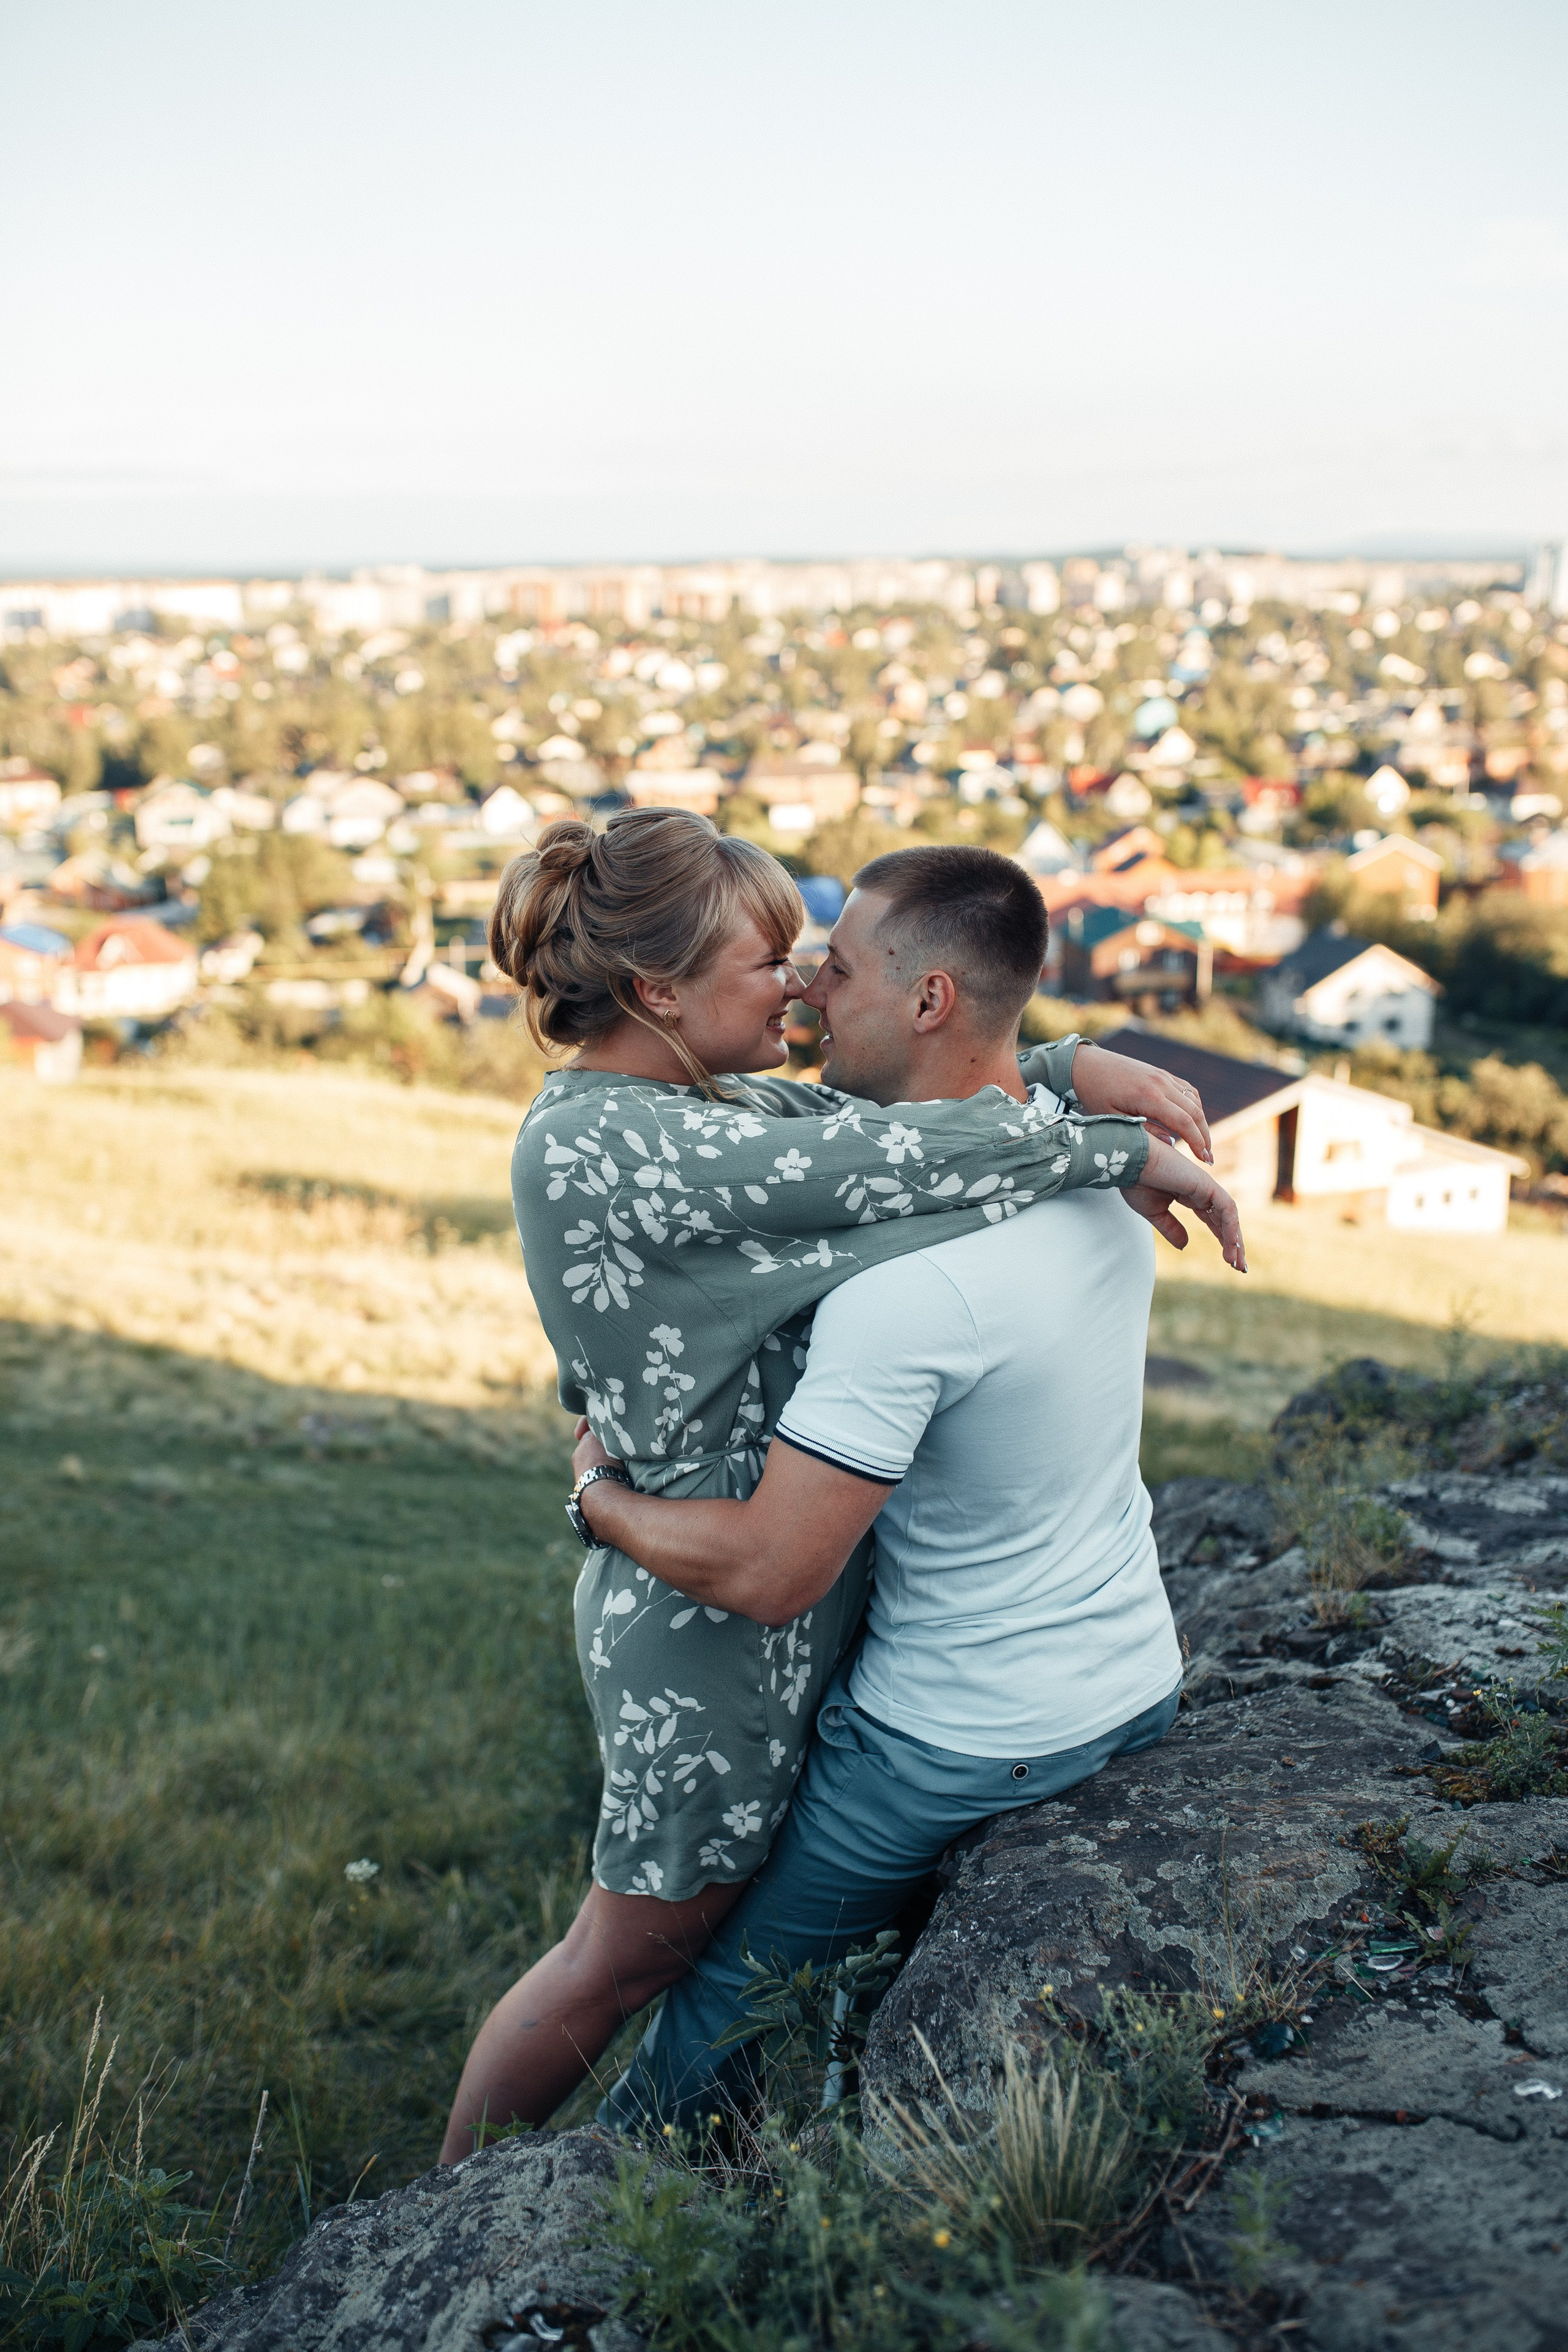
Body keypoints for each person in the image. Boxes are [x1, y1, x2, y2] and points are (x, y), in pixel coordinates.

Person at [439, 812, 1241, 2160]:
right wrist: (1106, 1141)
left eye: (815, 961)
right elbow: (896, 1152)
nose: (802, 984)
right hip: (706, 1619)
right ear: (658, 994)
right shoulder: (596, 1145)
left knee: (722, 1949)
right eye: (773, 961)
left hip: (793, 1594)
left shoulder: (715, 1102)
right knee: (629, 1956)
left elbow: (888, 1116)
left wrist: (1058, 1058)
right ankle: (448, 2216)